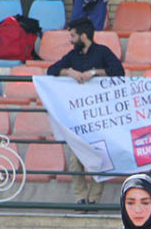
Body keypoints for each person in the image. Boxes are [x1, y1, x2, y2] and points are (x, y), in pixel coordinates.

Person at [47, 17, 124, 205]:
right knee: (75, 160)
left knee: (102, 159)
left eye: (73, 36)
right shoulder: (73, 56)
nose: (71, 40)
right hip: (78, 120)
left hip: (100, 118)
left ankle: (94, 200)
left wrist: (94, 73)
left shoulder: (103, 52)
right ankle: (80, 198)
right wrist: (69, 72)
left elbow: (118, 71)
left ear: (83, 35)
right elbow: (52, 70)